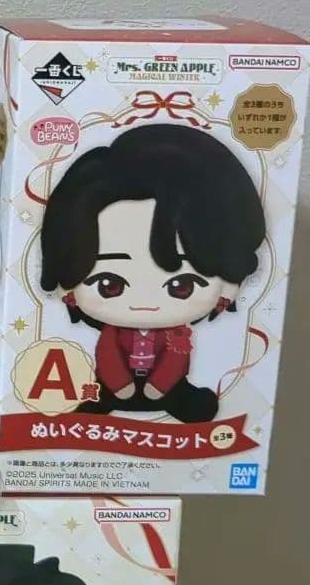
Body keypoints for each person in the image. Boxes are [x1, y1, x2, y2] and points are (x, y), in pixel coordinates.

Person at [39, 124, 266, 423]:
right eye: (109, 284)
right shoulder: (113, 333)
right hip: (113, 385)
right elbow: (108, 354)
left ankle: (176, 400)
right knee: (98, 395)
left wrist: (159, 386)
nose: (144, 303)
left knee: (183, 398)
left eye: (182, 285)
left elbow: (176, 359)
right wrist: (120, 385)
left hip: (168, 388)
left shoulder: (177, 335)